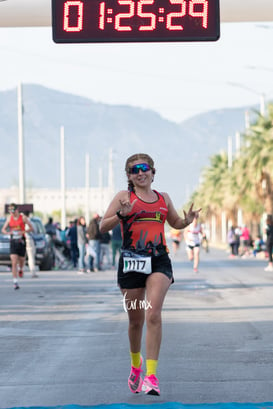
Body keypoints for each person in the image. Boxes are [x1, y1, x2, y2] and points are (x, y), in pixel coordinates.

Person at [99, 153, 200, 396]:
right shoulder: (124, 197)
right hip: (132, 261)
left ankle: (151, 377)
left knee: (153, 313)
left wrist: (186, 221)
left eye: (144, 168)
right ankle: (136, 365)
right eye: (134, 170)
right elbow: (103, 226)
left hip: (158, 260)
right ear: (129, 176)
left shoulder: (163, 198)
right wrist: (121, 215)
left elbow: (173, 222)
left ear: (153, 172)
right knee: (136, 321)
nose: (140, 173)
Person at [1, 203, 34, 289]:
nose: (12, 213)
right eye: (10, 211)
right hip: (13, 241)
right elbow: (3, 230)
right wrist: (9, 233)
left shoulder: (23, 217)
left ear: (17, 210)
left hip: (21, 241)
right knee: (14, 261)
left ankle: (21, 269)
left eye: (13, 211)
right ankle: (15, 281)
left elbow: (31, 228)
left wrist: (23, 232)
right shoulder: (9, 219)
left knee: (22, 259)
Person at [24, 210, 38, 278]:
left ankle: (20, 271)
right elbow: (35, 231)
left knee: (21, 257)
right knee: (31, 256)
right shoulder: (31, 222)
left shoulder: (21, 222)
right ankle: (33, 272)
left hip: (21, 240)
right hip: (29, 239)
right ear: (29, 215)